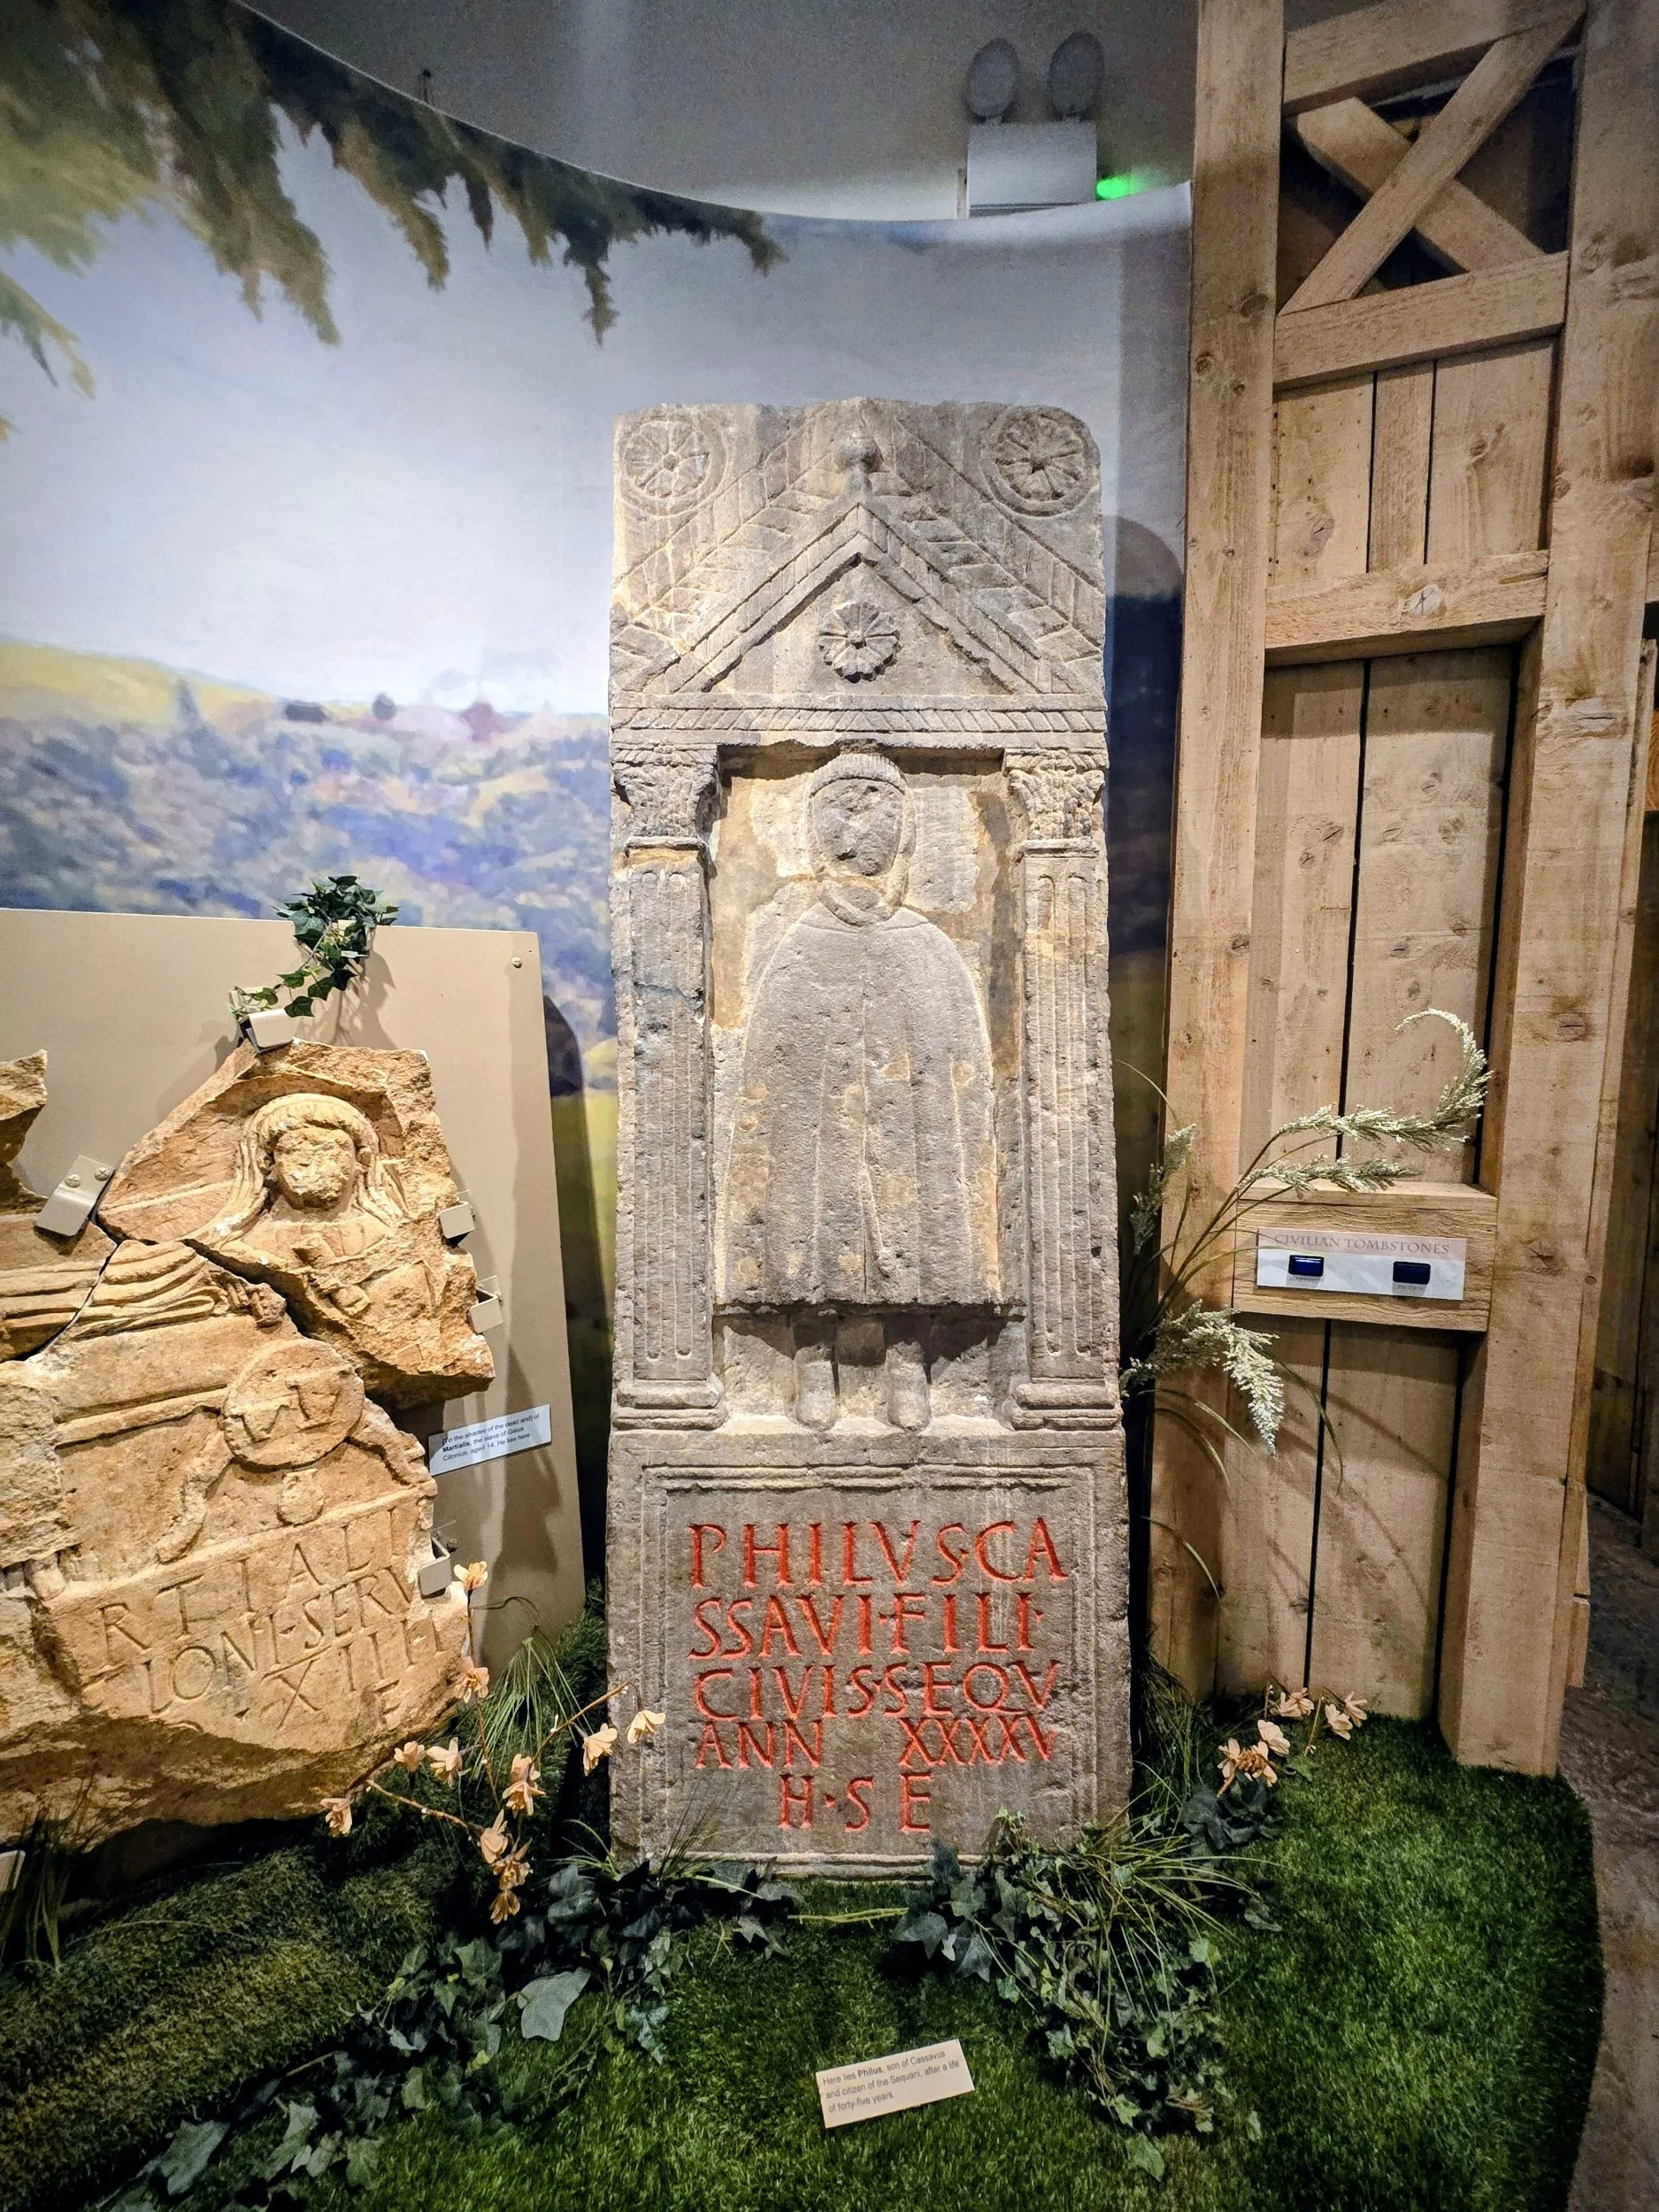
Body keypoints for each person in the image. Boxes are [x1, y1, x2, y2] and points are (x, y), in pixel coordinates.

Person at [724, 750, 998, 1430]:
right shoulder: (799, 946)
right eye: (840, 807)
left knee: (912, 1223)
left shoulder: (928, 947)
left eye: (877, 808)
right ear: (815, 829)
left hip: (907, 1126)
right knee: (810, 1220)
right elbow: (770, 1068)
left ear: (905, 829)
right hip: (819, 1131)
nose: (858, 824)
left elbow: (958, 1065)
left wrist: (920, 1101)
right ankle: (813, 1362)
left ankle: (909, 1361)